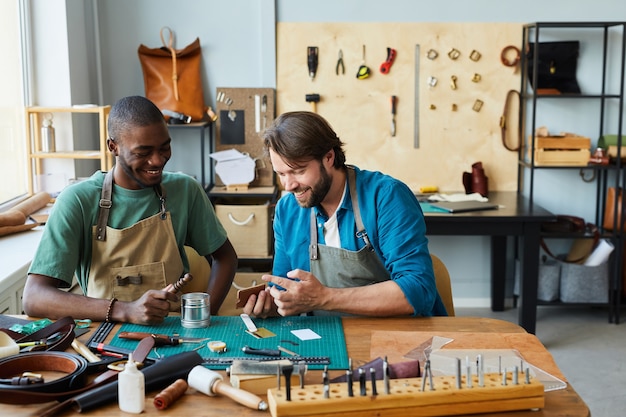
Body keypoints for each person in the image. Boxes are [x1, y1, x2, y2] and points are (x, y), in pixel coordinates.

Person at [22, 96, 237, 325]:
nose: (157, 161)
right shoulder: (77, 201)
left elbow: (225, 257)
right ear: (113, 146)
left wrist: (204, 317)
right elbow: (34, 297)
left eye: (164, 148)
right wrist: (125, 310)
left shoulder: (185, 191)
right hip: (104, 333)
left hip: (174, 331)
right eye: (143, 153)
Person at [244, 111, 446, 318]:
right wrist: (273, 304)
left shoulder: (386, 197)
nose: (289, 185)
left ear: (329, 157)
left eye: (298, 171)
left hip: (397, 334)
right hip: (327, 338)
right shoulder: (287, 210)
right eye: (281, 174)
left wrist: (324, 298)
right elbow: (284, 287)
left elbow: (419, 290)